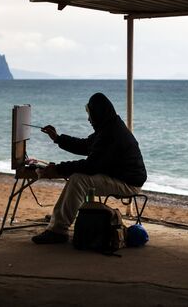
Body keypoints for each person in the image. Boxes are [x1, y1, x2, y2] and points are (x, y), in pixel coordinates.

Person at [31, 92, 147, 244]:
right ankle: (59, 222)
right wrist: (58, 138)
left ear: (97, 113)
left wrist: (59, 169)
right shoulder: (108, 126)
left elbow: (90, 166)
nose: (88, 119)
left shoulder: (111, 133)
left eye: (90, 114)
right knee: (77, 177)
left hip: (128, 184)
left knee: (79, 180)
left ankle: (58, 230)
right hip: (120, 177)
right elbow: (85, 146)